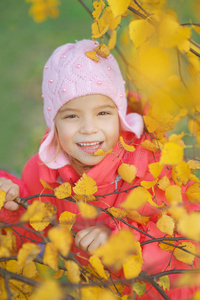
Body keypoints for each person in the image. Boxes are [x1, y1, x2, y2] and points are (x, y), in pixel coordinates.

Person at [0, 39, 199, 299]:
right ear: (54, 123)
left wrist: (122, 240)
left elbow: (188, 237)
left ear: (119, 114)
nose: (88, 128)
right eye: (71, 116)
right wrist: (11, 205)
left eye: (103, 113)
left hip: (169, 292)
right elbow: (31, 233)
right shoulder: (46, 173)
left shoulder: (153, 165)